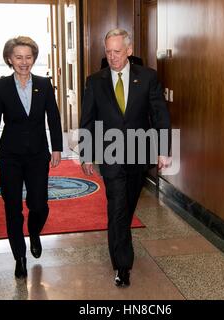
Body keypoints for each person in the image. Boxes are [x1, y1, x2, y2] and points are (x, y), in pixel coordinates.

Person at [79, 29, 171, 287]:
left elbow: (159, 114)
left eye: (117, 51)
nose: (112, 57)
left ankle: (122, 240)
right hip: (110, 154)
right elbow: (87, 120)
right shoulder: (95, 81)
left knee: (128, 205)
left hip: (138, 153)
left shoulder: (148, 77)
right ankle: (122, 265)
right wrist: (87, 154)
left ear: (129, 50)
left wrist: (163, 149)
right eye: (108, 52)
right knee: (117, 206)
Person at [0, 36, 63, 279]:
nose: (24, 62)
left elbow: (54, 117)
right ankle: (19, 256)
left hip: (38, 154)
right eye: (19, 57)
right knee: (12, 207)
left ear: (34, 59)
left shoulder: (44, 84)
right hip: (10, 156)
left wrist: (57, 147)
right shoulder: (1, 86)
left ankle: (35, 232)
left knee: (39, 205)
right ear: (10, 59)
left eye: (28, 57)